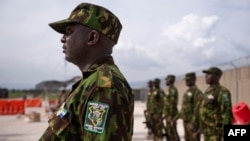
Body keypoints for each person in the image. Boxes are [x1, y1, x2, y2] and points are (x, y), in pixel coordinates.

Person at [39, 3, 134, 141]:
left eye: (69, 31)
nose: (62, 38)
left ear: (92, 38)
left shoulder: (103, 87)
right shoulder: (91, 82)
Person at [198, 67, 233, 141]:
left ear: (217, 76)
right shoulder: (208, 91)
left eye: (209, 74)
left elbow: (226, 113)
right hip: (207, 130)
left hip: (216, 131)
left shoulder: (223, 92)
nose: (206, 76)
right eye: (206, 74)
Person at [172, 72, 203, 141]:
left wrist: (194, 123)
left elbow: (198, 110)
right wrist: (176, 118)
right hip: (186, 122)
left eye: (188, 80)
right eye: (186, 80)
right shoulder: (187, 92)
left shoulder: (197, 92)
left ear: (194, 79)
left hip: (192, 124)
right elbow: (184, 108)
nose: (186, 81)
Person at [162, 75, 180, 141]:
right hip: (168, 116)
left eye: (167, 80)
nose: (166, 81)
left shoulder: (173, 90)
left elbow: (172, 104)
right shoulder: (169, 89)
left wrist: (171, 116)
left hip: (171, 116)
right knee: (169, 134)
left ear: (171, 80)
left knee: (173, 134)